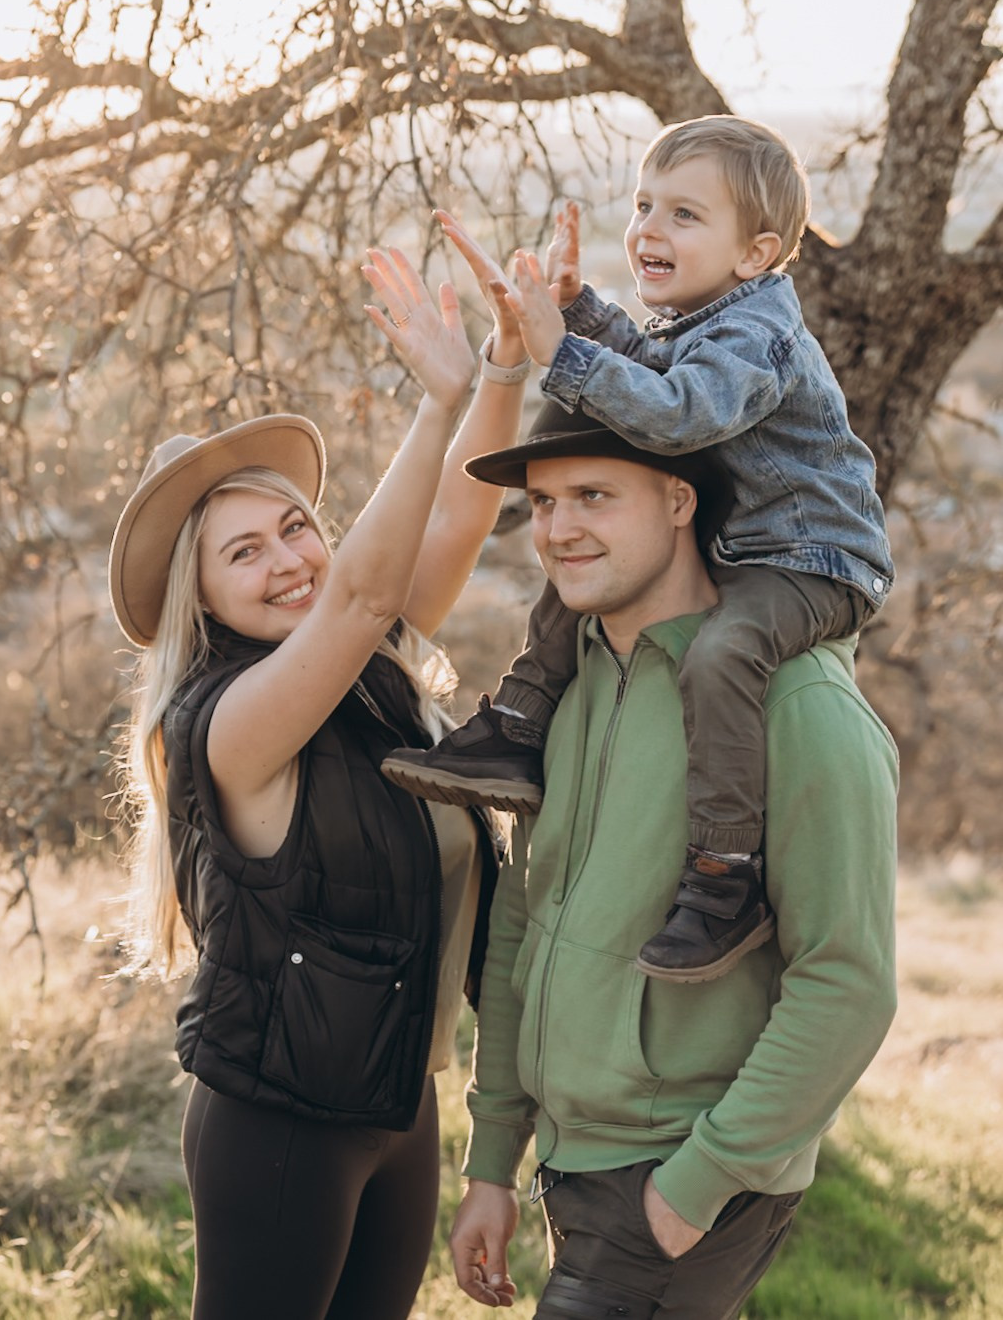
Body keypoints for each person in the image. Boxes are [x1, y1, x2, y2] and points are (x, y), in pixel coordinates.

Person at [108, 245, 534, 1320]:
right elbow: (353, 596)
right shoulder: (226, 721)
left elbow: (455, 521)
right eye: (242, 552)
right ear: (200, 598)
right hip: (282, 1121)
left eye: (295, 525)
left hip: (398, 1100)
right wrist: (431, 410)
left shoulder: (373, 672)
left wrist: (497, 371)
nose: (289, 559)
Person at [384, 115, 894, 981]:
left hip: (813, 561)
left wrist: (558, 347)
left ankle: (726, 877)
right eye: (644, 205)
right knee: (588, 563)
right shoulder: (708, 315)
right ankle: (518, 724)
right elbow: (649, 366)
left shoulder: (760, 333)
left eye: (685, 216)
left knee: (723, 653)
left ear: (757, 252)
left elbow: (678, 414)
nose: (651, 230)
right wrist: (581, 310)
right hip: (745, 540)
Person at [447, 397, 899, 1319]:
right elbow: (523, 925)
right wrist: (494, 1158)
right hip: (577, 1167)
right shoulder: (569, 691)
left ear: (682, 500)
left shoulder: (797, 702)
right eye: (542, 502)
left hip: (681, 1173)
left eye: (594, 496)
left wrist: (696, 1186)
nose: (560, 530)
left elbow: (848, 982)